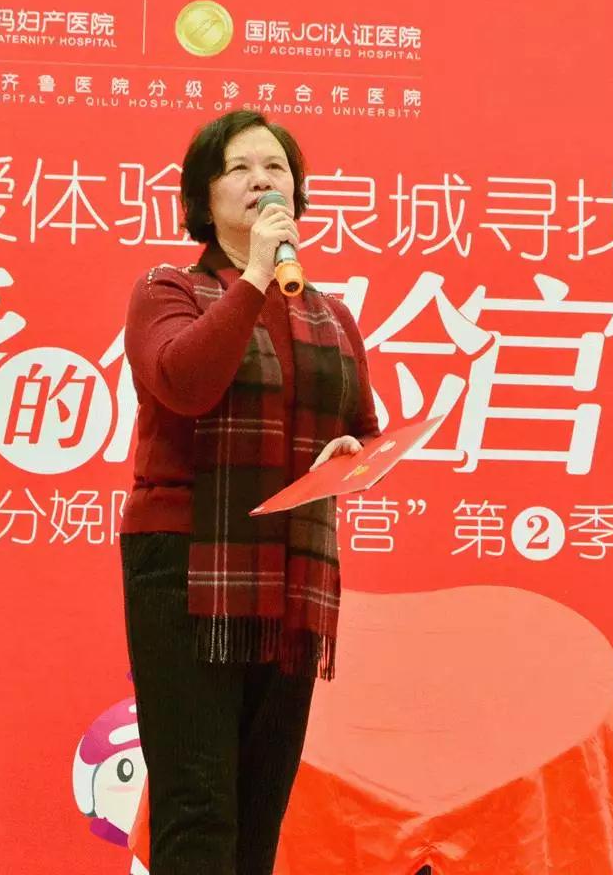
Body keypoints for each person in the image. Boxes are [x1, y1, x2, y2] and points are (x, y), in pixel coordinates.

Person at [119, 110, 380, 874]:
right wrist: (257, 276)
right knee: (199, 808)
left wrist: (346, 457)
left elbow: (363, 432)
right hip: (187, 569)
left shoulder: (331, 316)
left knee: (261, 807)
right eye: (239, 168)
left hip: (291, 579)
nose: (263, 180)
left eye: (276, 168)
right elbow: (186, 383)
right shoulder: (169, 290)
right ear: (204, 198)